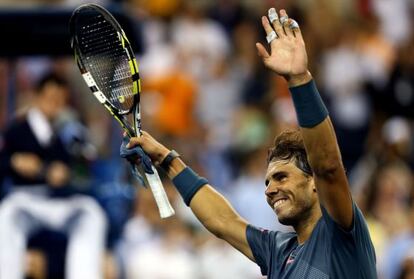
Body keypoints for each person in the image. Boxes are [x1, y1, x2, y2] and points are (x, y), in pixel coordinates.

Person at [122, 8, 377, 278]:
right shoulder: (278, 251)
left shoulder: (341, 236)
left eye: (280, 177)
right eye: (268, 181)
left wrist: (299, 80)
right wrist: (165, 157)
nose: (270, 189)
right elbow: (223, 220)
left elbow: (327, 165)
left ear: (314, 183)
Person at [0, 72, 107, 279]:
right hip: (26, 199)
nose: (54, 105)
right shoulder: (16, 130)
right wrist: (14, 162)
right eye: (50, 98)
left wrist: (68, 175)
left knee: (91, 214)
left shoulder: (71, 133)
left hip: (61, 200)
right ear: (37, 97)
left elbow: (87, 172)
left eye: (60, 100)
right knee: (6, 215)